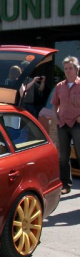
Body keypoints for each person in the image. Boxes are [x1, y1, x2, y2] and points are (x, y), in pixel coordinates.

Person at [52, 56, 80, 194]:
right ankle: (65, 184)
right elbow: (54, 103)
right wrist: (56, 117)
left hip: (77, 124)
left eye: (70, 68)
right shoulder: (60, 86)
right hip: (62, 124)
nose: (68, 71)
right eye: (66, 69)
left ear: (76, 69)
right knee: (63, 156)